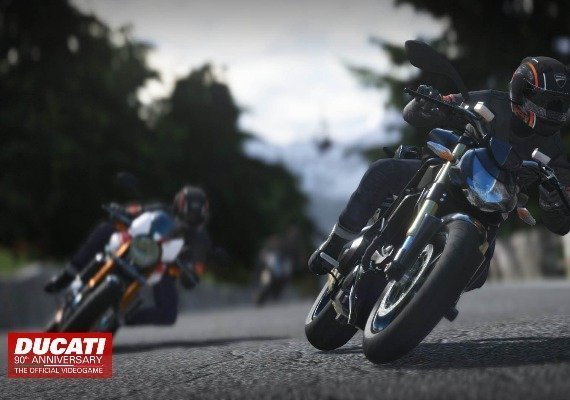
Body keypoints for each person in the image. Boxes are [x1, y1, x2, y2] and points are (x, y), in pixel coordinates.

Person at [309, 56, 570, 289]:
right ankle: (336, 243)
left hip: (490, 209)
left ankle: (425, 290)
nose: (554, 110)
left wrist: (555, 201)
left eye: (561, 104)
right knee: (382, 172)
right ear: (521, 89)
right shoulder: (489, 101)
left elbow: (560, 221)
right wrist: (425, 103)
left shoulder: (554, 151)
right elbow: (418, 113)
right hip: (449, 174)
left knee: (477, 276)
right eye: (548, 102)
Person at [45, 185, 212, 326]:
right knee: (106, 229)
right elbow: (138, 211)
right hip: (140, 246)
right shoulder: (161, 209)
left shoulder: (200, 237)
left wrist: (192, 273)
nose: (190, 219)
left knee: (168, 315)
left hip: (163, 266)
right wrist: (123, 211)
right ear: (178, 206)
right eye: (188, 214)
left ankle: (123, 319)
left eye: (194, 216)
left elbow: (198, 265)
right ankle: (68, 274)